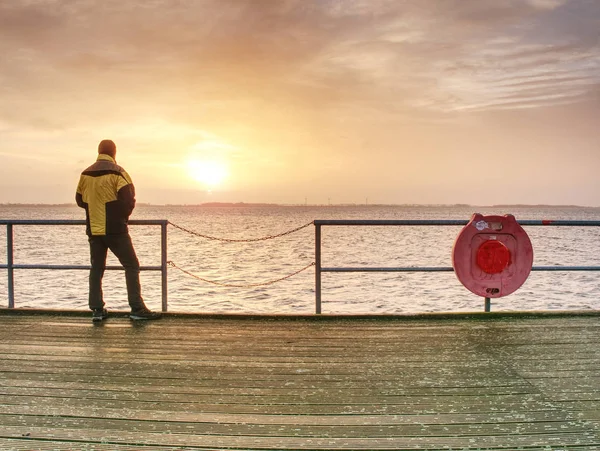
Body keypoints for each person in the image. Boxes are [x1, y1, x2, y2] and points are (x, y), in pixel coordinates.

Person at [76, 139, 161, 322]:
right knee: (131, 265)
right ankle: (137, 308)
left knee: (96, 268)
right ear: (114, 153)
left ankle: (97, 310)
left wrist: (95, 210)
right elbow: (129, 199)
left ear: (99, 151)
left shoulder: (85, 173)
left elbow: (79, 200)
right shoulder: (119, 172)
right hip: (115, 229)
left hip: (94, 229)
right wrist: (120, 216)